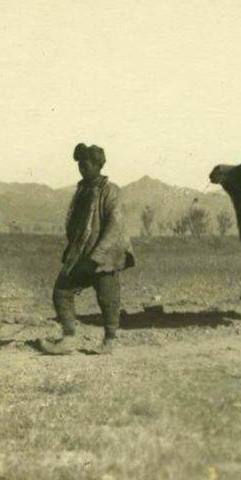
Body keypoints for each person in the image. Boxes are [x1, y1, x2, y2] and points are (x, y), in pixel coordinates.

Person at [42, 143, 135, 355]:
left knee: (108, 299)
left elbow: (115, 226)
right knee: (61, 292)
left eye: (85, 164)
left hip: (105, 258)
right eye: (79, 165)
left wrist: (97, 256)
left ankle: (110, 341)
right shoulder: (82, 190)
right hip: (81, 256)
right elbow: (76, 225)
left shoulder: (111, 191)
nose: (81, 168)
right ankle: (69, 338)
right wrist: (71, 249)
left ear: (97, 165)